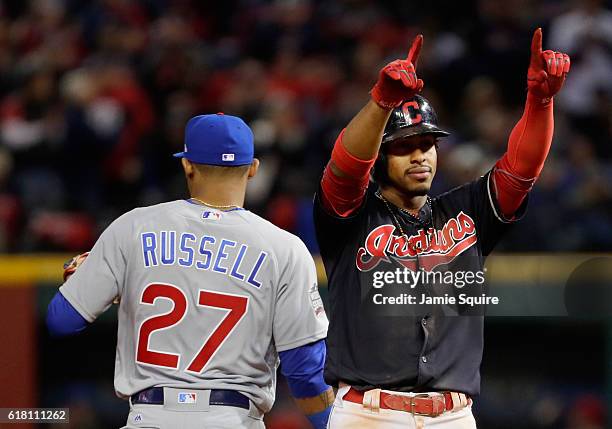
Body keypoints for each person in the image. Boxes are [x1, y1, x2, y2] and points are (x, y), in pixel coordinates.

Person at [313, 29, 570, 428]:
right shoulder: (349, 215)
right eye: (403, 146)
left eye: (427, 144)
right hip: (369, 414)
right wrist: (380, 103)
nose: (420, 156)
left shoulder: (466, 210)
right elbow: (346, 170)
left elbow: (522, 171)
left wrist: (541, 102)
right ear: (379, 157)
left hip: (453, 416)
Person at [47, 113, 334, 429]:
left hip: (149, 417)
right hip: (233, 419)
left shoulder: (133, 227)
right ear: (253, 168)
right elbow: (305, 373)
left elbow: (61, 320)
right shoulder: (285, 248)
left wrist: (99, 279)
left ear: (187, 164)